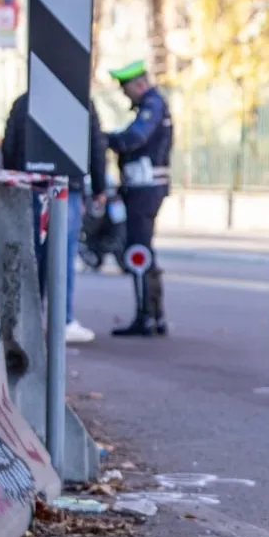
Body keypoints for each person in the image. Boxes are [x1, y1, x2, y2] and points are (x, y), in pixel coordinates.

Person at [1, 92, 108, 344]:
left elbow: (10, 145)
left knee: (31, 254)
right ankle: (64, 320)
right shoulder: (80, 99)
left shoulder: (24, 101)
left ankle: (30, 319)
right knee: (62, 255)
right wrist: (99, 186)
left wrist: (13, 181)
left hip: (29, 188)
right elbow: (95, 145)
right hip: (65, 187)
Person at [104, 59, 174, 337]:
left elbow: (134, 138)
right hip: (145, 189)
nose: (124, 94)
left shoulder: (152, 106)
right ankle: (154, 316)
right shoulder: (152, 105)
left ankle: (146, 317)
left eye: (126, 88)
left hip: (145, 190)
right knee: (143, 250)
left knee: (139, 251)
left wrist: (105, 139)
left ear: (140, 84)